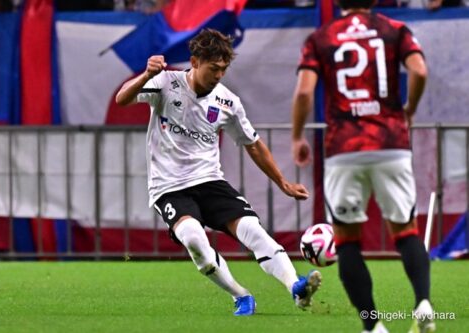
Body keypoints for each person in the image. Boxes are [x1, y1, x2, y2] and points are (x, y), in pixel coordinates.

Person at [116, 28, 322, 316]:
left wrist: (283, 183)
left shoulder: (228, 102)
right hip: (169, 187)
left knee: (252, 229)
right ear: (195, 61)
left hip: (210, 181)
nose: (219, 76)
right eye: (214, 69)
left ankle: (296, 287)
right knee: (194, 239)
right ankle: (241, 295)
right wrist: (146, 75)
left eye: (224, 69)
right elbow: (122, 99)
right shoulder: (165, 82)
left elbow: (253, 144)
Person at [291, 1, 433, 333]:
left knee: (347, 241)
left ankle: (373, 326)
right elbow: (420, 70)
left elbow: (303, 93)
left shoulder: (321, 37)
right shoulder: (394, 30)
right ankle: (423, 303)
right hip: (390, 144)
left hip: (344, 147)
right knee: (406, 230)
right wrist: (408, 109)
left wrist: (298, 136)